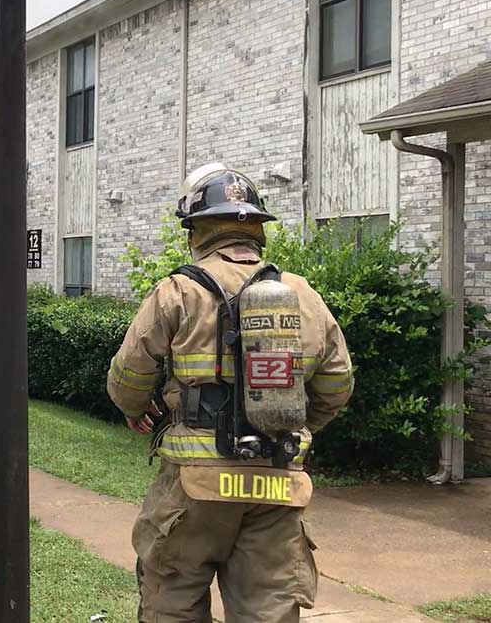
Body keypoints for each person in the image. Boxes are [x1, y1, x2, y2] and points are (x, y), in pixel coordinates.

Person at [107, 164, 354, 623]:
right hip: (276, 481)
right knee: (269, 611)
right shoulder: (301, 294)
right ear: (257, 229)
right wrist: (293, 421)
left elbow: (128, 375)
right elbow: (338, 381)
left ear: (198, 230)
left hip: (195, 486)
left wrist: (136, 410)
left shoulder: (177, 291)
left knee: (172, 599)